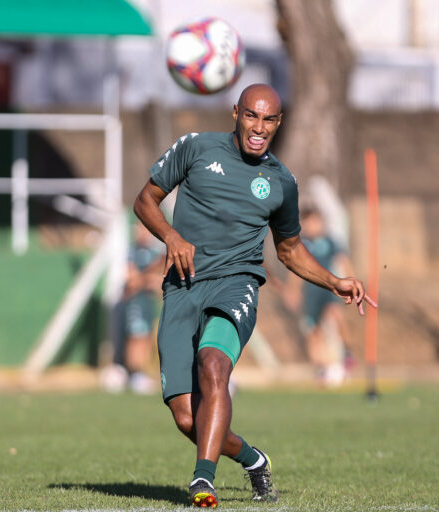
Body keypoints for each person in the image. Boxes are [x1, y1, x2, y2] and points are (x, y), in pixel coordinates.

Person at [133, 83, 376, 508]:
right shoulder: (195, 148)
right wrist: (171, 237)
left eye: (268, 119)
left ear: (279, 123)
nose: (259, 127)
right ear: (235, 114)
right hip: (182, 285)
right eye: (251, 116)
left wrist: (334, 280)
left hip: (236, 283)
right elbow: (145, 201)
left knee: (214, 365)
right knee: (188, 418)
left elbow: (290, 250)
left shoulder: (281, 182)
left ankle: (202, 480)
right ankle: (254, 459)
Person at [283, 206, 356, 386]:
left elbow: (344, 261)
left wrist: (351, 282)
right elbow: (296, 270)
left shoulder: (331, 242)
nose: (312, 226)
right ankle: (321, 368)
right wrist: (292, 291)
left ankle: (348, 353)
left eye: (315, 222)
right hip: (310, 293)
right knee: (313, 331)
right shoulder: (301, 245)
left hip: (328, 289)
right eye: (308, 223)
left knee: (335, 313)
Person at [103, 221, 164, 394]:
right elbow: (131, 280)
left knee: (145, 338)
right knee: (135, 337)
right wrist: (148, 277)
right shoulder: (131, 252)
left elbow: (160, 283)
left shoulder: (155, 253)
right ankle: (133, 373)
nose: (142, 233)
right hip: (134, 302)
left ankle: (139, 372)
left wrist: (149, 280)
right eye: (139, 230)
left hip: (148, 302)